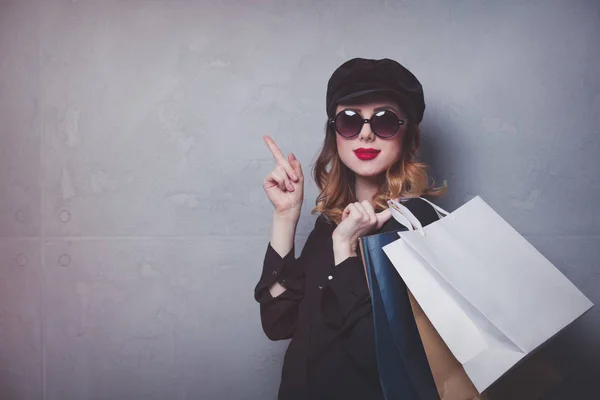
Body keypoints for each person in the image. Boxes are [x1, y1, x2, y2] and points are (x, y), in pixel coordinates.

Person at [254, 58, 446, 400]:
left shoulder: (419, 225)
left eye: (385, 121)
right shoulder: (330, 222)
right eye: (350, 120)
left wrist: (346, 252)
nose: (366, 133)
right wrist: (286, 217)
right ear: (335, 134)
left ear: (410, 138)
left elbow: (383, 361)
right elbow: (278, 322)